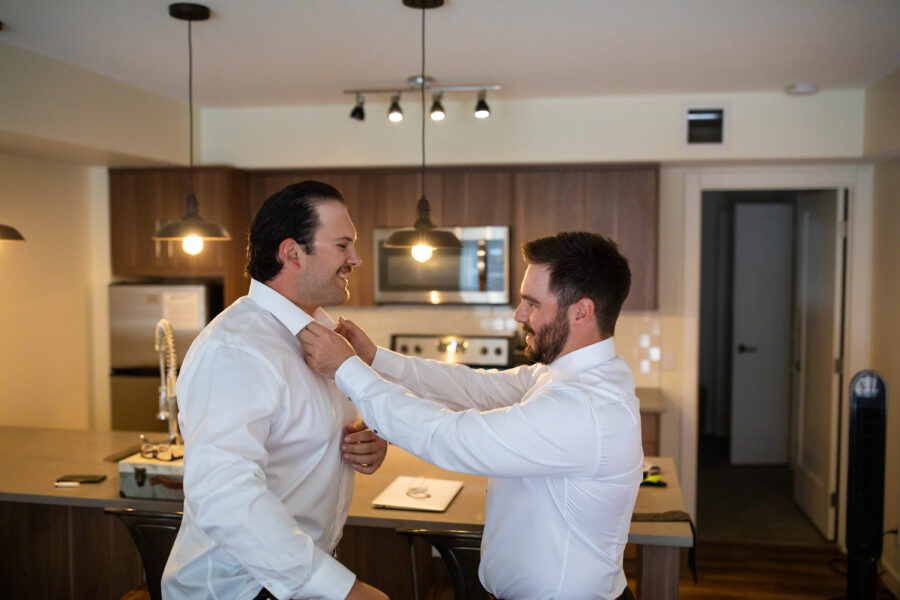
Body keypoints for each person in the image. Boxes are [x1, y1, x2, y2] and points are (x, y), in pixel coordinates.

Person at [300, 231, 643, 600]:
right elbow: (473, 388)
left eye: (532, 303)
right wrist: (375, 360)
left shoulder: (583, 408)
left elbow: (450, 437)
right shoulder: (568, 376)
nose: (519, 315)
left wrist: (347, 370)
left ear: (581, 311)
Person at [162, 181, 389, 600]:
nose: (355, 258)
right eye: (343, 245)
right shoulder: (235, 349)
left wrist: (367, 441)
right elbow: (224, 493)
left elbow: (307, 432)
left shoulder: (323, 336)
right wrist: (341, 590)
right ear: (291, 253)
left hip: (292, 576)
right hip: (242, 588)